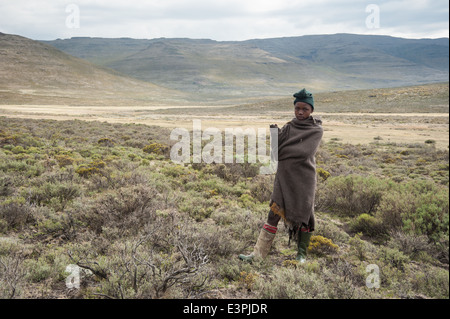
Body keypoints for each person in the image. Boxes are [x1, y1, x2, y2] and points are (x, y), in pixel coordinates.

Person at [239, 88, 323, 263]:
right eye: (297, 108)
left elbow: (302, 153)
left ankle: (301, 255)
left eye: (305, 109)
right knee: (274, 213)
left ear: (311, 111)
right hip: (284, 177)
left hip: (303, 180)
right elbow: (275, 153)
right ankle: (257, 255)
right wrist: (275, 137)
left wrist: (281, 149)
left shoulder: (315, 130)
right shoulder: (289, 127)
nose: (300, 112)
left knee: (305, 215)